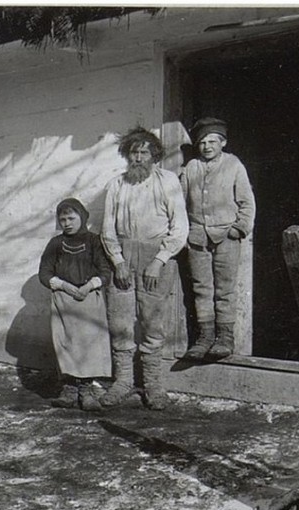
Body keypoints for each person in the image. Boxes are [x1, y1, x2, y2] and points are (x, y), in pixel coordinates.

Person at [100, 127, 189, 410]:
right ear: (127, 155)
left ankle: (153, 386)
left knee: (152, 323)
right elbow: (107, 229)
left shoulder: (168, 181)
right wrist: (118, 262)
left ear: (155, 155)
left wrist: (160, 259)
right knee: (120, 322)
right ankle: (123, 381)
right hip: (124, 257)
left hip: (157, 257)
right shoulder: (117, 184)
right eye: (133, 153)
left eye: (144, 152)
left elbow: (180, 227)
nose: (138, 158)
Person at [179, 117, 256, 359]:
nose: (207, 146)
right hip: (198, 237)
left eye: (212, 141)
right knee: (202, 288)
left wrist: (238, 229)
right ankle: (205, 337)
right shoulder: (191, 168)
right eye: (202, 142)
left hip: (226, 237)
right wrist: (186, 233)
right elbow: (180, 204)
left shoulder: (234, 165)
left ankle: (225, 338)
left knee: (224, 289)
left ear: (223, 142)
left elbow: (246, 202)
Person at [38, 197, 113, 411]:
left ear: (82, 217)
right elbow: (44, 273)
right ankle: (69, 390)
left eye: (71, 218)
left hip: (88, 299)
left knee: (89, 345)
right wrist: (63, 286)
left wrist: (89, 286)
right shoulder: (55, 244)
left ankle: (86, 391)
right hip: (64, 299)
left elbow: (105, 271)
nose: (67, 223)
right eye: (62, 219)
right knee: (66, 344)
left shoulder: (93, 241)